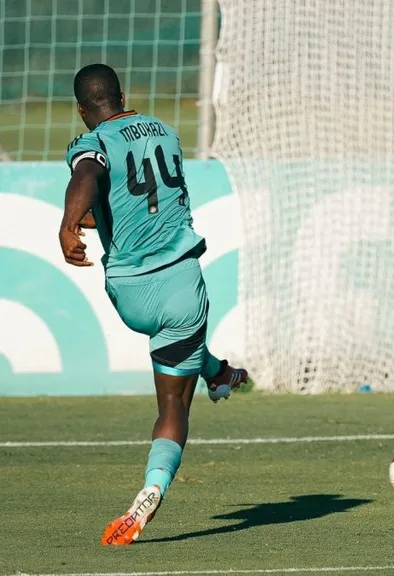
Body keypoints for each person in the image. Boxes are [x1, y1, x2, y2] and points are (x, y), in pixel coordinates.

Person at [59, 63, 250, 546]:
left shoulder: (91, 142)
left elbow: (89, 176)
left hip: (127, 293)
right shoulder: (165, 131)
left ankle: (218, 372)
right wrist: (73, 217)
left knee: (179, 347)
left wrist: (72, 221)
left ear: (82, 110)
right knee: (173, 403)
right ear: (123, 95)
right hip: (180, 287)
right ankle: (151, 491)